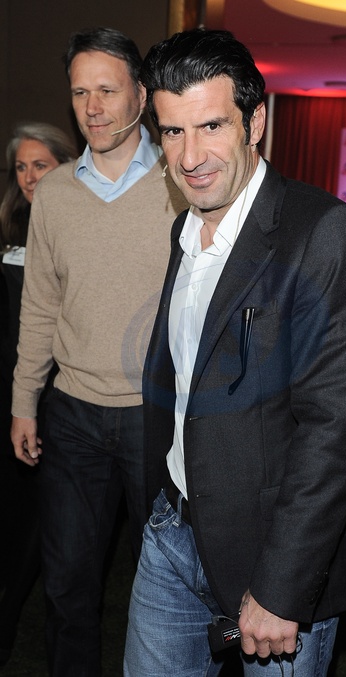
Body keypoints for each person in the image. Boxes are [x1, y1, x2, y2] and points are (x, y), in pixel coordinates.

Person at [124, 28, 346, 677]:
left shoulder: (325, 233)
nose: (190, 157)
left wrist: (281, 586)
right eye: (173, 131)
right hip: (171, 534)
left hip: (268, 558)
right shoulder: (184, 230)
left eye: (211, 125)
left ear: (255, 122)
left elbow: (330, 430)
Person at [11, 27, 187, 676]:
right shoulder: (55, 193)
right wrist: (24, 401)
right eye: (80, 92)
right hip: (73, 417)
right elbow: (41, 303)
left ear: (141, 94)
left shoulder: (182, 181)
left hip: (157, 416)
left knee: (171, 587)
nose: (92, 107)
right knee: (67, 586)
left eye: (107, 90)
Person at [0, 122, 76, 666]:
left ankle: (8, 618)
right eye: (21, 167)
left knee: (35, 511)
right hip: (7, 386)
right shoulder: (9, 223)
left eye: (40, 165)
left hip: (52, 392)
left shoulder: (73, 227)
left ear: (65, 167)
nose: (29, 177)